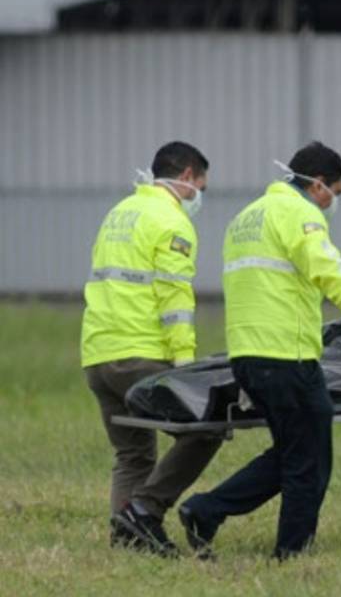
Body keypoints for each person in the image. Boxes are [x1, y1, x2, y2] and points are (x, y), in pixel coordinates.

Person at [178, 142, 341, 560]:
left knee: (294, 450)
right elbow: (325, 264)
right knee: (310, 459)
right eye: (335, 195)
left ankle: (206, 511)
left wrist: (248, 366)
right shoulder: (297, 213)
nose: (333, 205)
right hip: (287, 355)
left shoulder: (246, 218)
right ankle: (291, 552)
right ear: (318, 185)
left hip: (250, 355)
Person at [82, 141, 223, 556]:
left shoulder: (120, 213)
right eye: (201, 185)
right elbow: (175, 297)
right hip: (139, 355)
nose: (200, 195)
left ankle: (126, 543)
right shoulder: (171, 221)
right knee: (206, 427)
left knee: (133, 454)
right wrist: (184, 365)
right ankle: (145, 510)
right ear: (185, 178)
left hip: (98, 354)